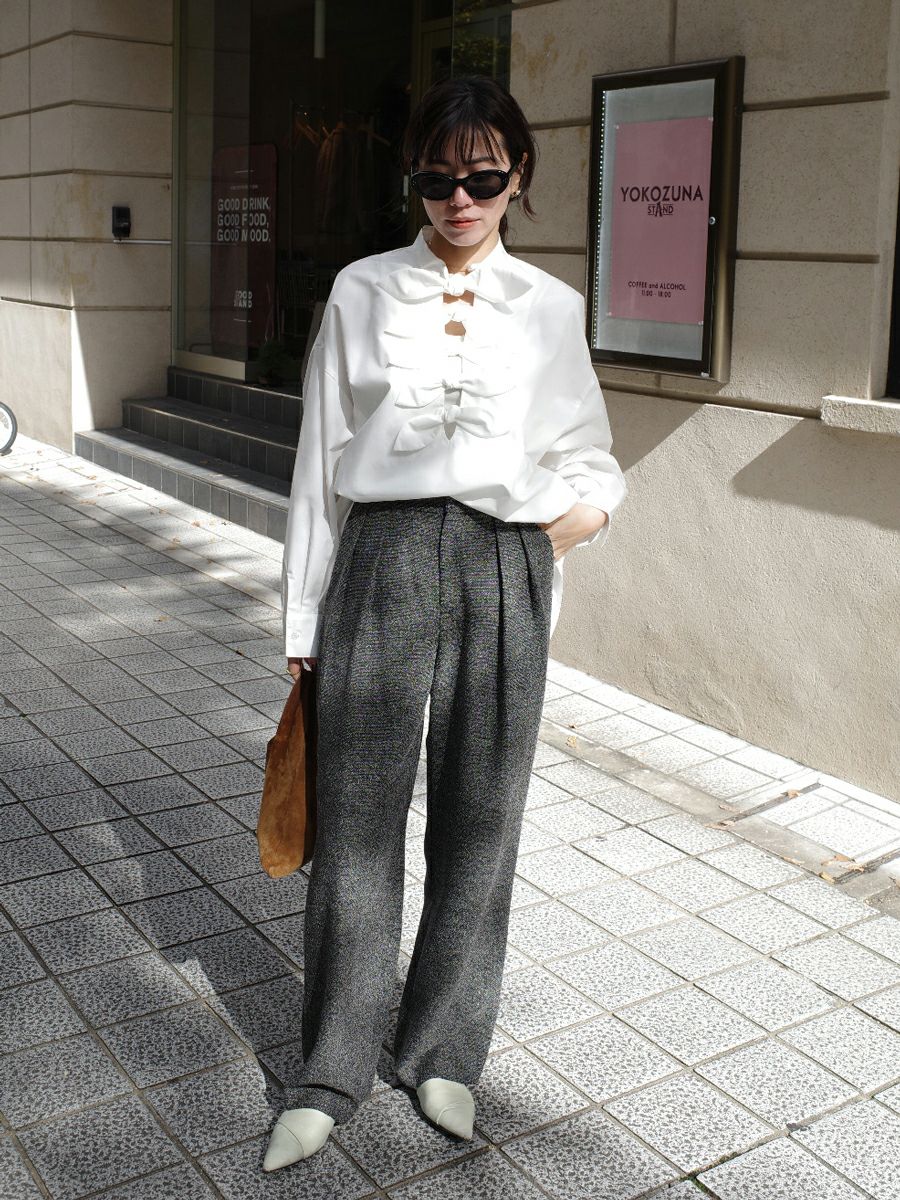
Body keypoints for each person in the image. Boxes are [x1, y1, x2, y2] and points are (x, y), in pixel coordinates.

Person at [264, 74, 627, 1171]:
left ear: (518, 176)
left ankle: (442, 1052)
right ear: (413, 179)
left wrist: (552, 536)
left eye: (481, 176)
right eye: (435, 177)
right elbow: (319, 462)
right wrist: (303, 618)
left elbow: (590, 456)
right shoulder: (362, 289)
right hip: (379, 560)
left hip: (501, 566)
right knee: (356, 828)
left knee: (482, 823)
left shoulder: (551, 308)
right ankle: (330, 1068)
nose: (458, 198)